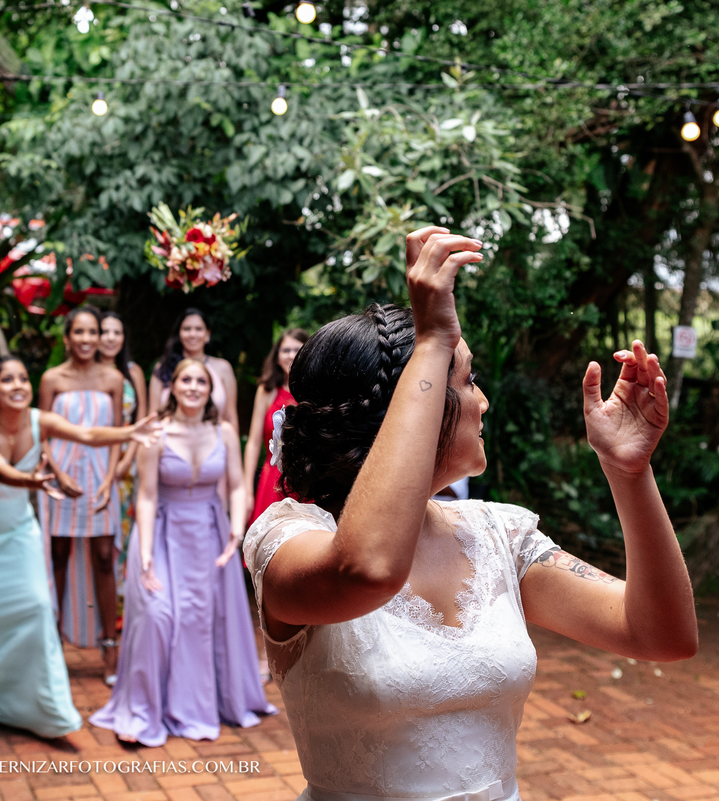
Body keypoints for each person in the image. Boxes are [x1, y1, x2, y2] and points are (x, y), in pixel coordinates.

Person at [244, 227, 697, 801]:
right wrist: (433, 338)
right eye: (468, 379)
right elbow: (367, 570)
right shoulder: (288, 537)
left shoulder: (499, 534)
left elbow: (662, 634)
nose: (483, 400)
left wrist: (630, 474)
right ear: (409, 407)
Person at [0, 356, 160, 738]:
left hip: (15, 531)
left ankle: (35, 705)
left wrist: (131, 432)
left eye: (23, 379)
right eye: (7, 379)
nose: (18, 385)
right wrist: (31, 481)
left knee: (36, 605)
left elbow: (89, 434)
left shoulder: (38, 420)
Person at [90, 358, 276, 746]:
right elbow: (145, 495)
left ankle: (207, 703)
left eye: (201, 382)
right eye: (185, 380)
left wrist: (235, 534)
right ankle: (141, 710)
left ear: (210, 390)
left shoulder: (223, 431)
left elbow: (238, 485)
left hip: (210, 535)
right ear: (172, 387)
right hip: (162, 531)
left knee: (203, 620)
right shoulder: (154, 434)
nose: (193, 387)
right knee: (157, 616)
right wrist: (143, 553)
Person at [38, 305, 125, 682]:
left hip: (101, 476)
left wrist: (110, 480)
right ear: (67, 338)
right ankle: (52, 643)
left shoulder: (113, 378)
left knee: (104, 557)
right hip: (60, 477)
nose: (87, 339)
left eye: (94, 332)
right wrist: (55, 474)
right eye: (80, 332)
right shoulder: (51, 379)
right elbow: (40, 434)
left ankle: (110, 647)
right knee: (57, 555)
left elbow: (119, 435)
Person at [98, 311, 146, 588]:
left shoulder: (133, 372)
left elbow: (142, 418)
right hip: (95, 457)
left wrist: (128, 459)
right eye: (105, 331)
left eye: (117, 332)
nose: (111, 338)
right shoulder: (89, 373)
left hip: (128, 461)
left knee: (124, 530)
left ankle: (121, 601)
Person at [243, 329, 308, 525]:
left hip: (307, 478)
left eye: (297, 349)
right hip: (272, 477)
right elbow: (253, 443)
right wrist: (247, 490)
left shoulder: (313, 388)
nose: (290, 355)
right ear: (277, 355)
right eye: (285, 350)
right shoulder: (267, 390)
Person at [148, 308, 238, 431]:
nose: (192, 334)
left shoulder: (223, 368)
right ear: (179, 334)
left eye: (198, 329)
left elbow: (231, 417)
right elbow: (153, 415)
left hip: (213, 441)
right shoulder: (163, 368)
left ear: (208, 334)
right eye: (187, 329)